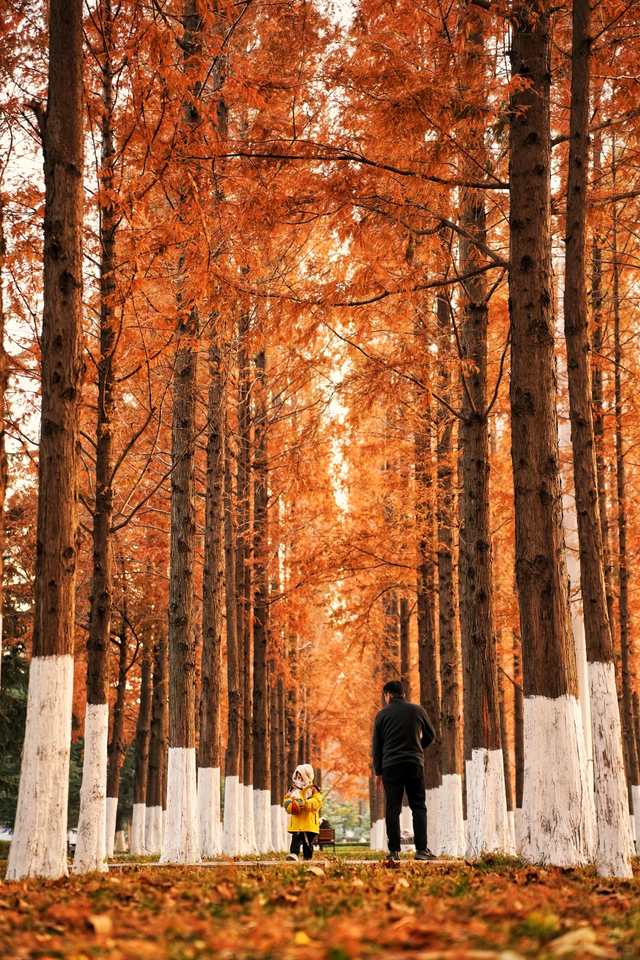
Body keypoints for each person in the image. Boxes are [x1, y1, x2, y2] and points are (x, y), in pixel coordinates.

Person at [372, 679, 436, 864]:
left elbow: (377, 746)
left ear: (388, 695)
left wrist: (379, 772)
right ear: (403, 694)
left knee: (393, 808)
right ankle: (421, 849)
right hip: (414, 763)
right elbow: (431, 735)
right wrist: (417, 748)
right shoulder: (417, 710)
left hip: (391, 766)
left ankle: (394, 852)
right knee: (418, 806)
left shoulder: (382, 715)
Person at [283, 763, 323, 861]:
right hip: (297, 820)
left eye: (301, 777)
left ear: (307, 777)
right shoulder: (293, 790)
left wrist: (307, 803)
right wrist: (289, 805)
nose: (298, 779)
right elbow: (286, 801)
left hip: (309, 821)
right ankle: (294, 854)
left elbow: (318, 802)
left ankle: (307, 856)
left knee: (308, 841)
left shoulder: (313, 789)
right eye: (297, 777)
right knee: (295, 838)